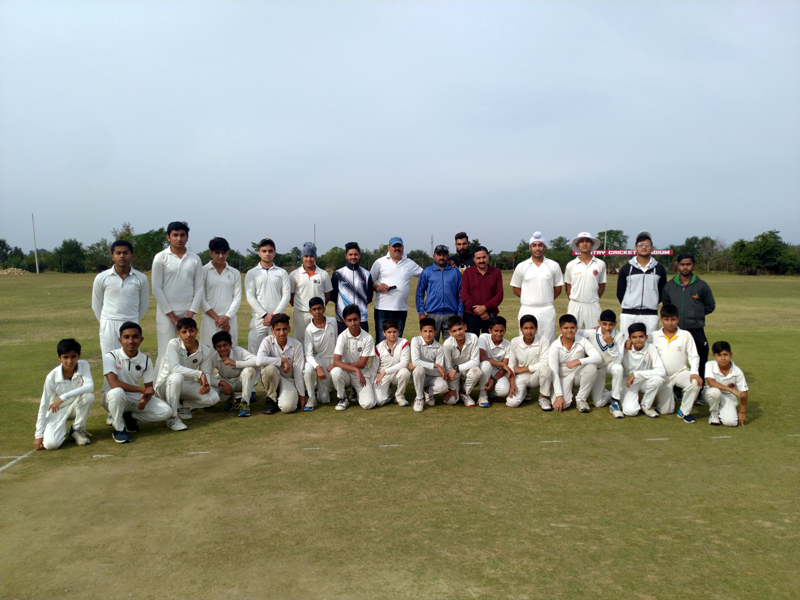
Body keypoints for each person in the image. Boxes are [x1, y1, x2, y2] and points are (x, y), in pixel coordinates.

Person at [102, 322, 172, 443]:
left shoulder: (145, 360)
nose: (131, 341)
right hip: (111, 398)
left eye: (135, 337)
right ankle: (119, 429)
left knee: (166, 411)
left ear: (141, 339)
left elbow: (149, 388)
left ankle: (130, 418)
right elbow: (114, 384)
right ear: (120, 340)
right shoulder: (111, 356)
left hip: (133, 398)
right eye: (126, 337)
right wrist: (142, 391)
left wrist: (145, 398)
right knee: (117, 392)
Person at [661, 252, 716, 402]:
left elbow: (710, 306)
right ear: (678, 265)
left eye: (688, 264)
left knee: (699, 358)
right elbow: (666, 306)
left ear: (693, 265)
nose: (685, 267)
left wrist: (694, 314)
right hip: (675, 329)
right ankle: (677, 389)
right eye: (682, 264)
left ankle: (698, 391)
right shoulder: (670, 285)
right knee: (676, 360)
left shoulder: (701, 285)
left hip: (695, 329)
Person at [151, 221, 204, 374]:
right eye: (175, 235)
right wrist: (172, 317)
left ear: (187, 237)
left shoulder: (195, 259)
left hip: (188, 313)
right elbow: (156, 289)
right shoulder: (161, 257)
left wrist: (191, 313)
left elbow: (199, 288)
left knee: (186, 352)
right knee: (165, 352)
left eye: (182, 235)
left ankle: (184, 390)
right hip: (166, 314)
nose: (178, 238)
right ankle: (158, 390)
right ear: (168, 237)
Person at [154, 318, 221, 431]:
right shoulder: (173, 344)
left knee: (213, 398)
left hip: (186, 386)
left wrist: (206, 386)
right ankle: (172, 418)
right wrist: (199, 373)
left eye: (191, 331)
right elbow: (174, 368)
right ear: (178, 333)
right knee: (177, 377)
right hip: (165, 385)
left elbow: (206, 373)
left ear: (196, 331)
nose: (188, 334)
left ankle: (182, 404)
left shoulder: (205, 350)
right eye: (184, 332)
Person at [34, 339, 94, 450]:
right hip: (56, 410)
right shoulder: (51, 377)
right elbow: (43, 405)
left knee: (88, 396)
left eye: (73, 356)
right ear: (59, 357)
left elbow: (90, 386)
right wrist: (38, 435)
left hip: (75, 406)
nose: (70, 361)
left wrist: (63, 397)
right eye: (65, 357)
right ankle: (58, 430)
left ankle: (76, 430)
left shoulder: (84, 365)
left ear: (79, 355)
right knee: (51, 445)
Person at [91, 239, 149, 356]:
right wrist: (105, 321)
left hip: (131, 322)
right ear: (112, 256)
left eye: (125, 253)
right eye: (118, 253)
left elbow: (144, 305)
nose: (122, 256)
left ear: (131, 255)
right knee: (110, 360)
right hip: (109, 324)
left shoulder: (141, 278)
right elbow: (96, 304)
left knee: (130, 360)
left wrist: (133, 320)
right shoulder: (102, 277)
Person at [650, 305, 702, 423]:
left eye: (673, 319)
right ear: (661, 319)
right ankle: (670, 397)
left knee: (695, 382)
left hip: (680, 372)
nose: (670, 323)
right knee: (666, 410)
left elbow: (693, 355)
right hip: (661, 375)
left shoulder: (685, 335)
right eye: (666, 319)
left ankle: (684, 411)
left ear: (678, 319)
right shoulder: (653, 336)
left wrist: (694, 372)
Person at [510, 231, 564, 342]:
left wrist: (545, 298)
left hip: (547, 309)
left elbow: (558, 288)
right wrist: (528, 297)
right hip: (527, 308)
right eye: (534, 245)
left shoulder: (553, 265)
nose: (537, 248)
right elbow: (515, 288)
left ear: (544, 247)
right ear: (530, 247)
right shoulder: (522, 266)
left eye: (540, 245)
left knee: (547, 341)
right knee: (526, 340)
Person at [370, 236, 423, 343]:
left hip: (400, 309)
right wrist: (377, 287)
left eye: (399, 246)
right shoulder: (380, 262)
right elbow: (368, 283)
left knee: (397, 342)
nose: (397, 248)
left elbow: (426, 274)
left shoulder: (409, 263)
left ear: (403, 247)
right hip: (382, 309)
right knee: (381, 341)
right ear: (389, 247)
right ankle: (381, 360)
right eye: (394, 246)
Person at [616, 230, 667, 338]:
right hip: (628, 314)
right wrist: (630, 304)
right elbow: (620, 291)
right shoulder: (626, 268)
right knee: (627, 345)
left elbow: (662, 291)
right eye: (640, 245)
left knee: (649, 346)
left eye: (647, 244)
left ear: (652, 248)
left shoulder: (659, 269)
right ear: (635, 248)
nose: (644, 247)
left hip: (650, 314)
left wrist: (651, 302)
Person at [244, 238, 291, 354]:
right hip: (258, 320)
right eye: (264, 251)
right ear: (259, 253)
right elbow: (250, 296)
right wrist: (264, 315)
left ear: (274, 253)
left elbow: (286, 295)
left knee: (276, 353)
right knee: (255, 355)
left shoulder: (282, 272)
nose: (267, 254)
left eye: (270, 251)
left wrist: (274, 316)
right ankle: (256, 374)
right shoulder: (252, 273)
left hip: (277, 321)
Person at [576, 309, 625, 418]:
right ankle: (620, 391)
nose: (607, 328)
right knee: (598, 403)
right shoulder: (591, 333)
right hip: (597, 369)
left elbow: (618, 360)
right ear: (599, 322)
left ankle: (615, 402)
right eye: (604, 324)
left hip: (610, 365)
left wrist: (611, 344)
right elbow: (574, 331)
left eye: (611, 324)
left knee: (618, 368)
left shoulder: (619, 336)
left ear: (615, 324)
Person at [548, 314, 601, 413]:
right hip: (561, 377)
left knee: (591, 368)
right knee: (563, 405)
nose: (569, 330)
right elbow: (554, 372)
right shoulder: (554, 347)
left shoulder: (583, 341)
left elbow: (598, 358)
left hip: (577, 374)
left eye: (572, 327)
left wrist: (579, 361)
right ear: (560, 329)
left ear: (576, 328)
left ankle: (581, 399)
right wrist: (559, 396)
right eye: (566, 328)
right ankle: (559, 393)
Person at [255, 313, 305, 415]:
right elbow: (259, 360)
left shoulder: (297, 345)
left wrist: (302, 395)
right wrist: (282, 360)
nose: (282, 333)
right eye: (278, 329)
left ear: (289, 329)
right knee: (270, 369)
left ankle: (280, 395)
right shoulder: (267, 341)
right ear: (272, 330)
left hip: (289, 380)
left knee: (288, 408)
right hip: (274, 376)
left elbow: (298, 372)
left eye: (284, 329)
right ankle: (271, 398)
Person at [331, 305, 378, 411]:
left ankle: (356, 390)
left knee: (369, 404)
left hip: (361, 373)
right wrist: (354, 369)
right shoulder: (342, 337)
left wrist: (354, 368)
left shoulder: (368, 338)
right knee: (335, 372)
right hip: (347, 372)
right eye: (349, 320)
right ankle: (342, 397)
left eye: (355, 319)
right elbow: (336, 361)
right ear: (345, 321)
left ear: (360, 318)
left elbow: (362, 364)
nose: (353, 323)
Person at [199, 237, 241, 350]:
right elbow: (200, 298)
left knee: (230, 352)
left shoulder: (234, 273)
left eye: (223, 253)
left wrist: (227, 318)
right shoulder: (203, 271)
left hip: (229, 319)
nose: (221, 256)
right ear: (211, 253)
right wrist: (218, 319)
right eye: (217, 253)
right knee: (208, 353)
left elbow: (237, 297)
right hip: (210, 319)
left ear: (228, 253)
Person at [416, 245, 463, 342]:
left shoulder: (455, 272)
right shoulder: (427, 271)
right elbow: (419, 292)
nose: (441, 257)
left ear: (448, 256)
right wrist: (421, 312)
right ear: (434, 256)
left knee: (452, 346)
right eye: (439, 255)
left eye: (444, 255)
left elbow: (461, 294)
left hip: (451, 315)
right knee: (430, 345)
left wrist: (460, 312)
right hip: (432, 314)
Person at [290, 242, 332, 346]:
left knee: (319, 341)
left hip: (318, 314)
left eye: (312, 256)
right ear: (302, 257)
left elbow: (327, 295)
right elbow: (291, 296)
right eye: (306, 256)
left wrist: (318, 309)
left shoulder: (323, 274)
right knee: (300, 342)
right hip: (301, 314)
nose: (309, 259)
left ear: (315, 257)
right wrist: (300, 307)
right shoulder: (294, 274)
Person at [620, 323, 666, 418]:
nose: (638, 340)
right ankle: (613, 394)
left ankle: (646, 405)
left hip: (644, 381)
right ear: (630, 338)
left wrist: (637, 374)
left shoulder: (651, 348)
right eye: (634, 337)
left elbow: (661, 371)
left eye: (641, 336)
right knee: (631, 412)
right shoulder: (624, 348)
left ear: (646, 337)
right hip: (628, 382)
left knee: (658, 380)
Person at [211, 331, 259, 418]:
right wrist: (222, 383)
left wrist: (235, 363)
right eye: (219, 346)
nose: (222, 349)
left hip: (240, 381)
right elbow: (207, 376)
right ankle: (228, 399)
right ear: (214, 348)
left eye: (225, 345)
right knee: (208, 387)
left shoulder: (239, 351)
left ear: (230, 344)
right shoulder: (213, 357)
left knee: (249, 370)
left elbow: (257, 361)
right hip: (225, 382)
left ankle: (245, 403)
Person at [507, 315, 552, 409]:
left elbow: (545, 362)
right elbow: (511, 364)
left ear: (536, 328)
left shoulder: (543, 340)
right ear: (521, 329)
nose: (529, 331)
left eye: (532, 328)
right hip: (520, 376)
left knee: (546, 370)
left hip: (536, 375)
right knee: (512, 403)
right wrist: (512, 383)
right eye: (526, 328)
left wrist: (523, 369)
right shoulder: (515, 342)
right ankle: (525, 392)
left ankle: (543, 397)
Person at [565, 232, 607, 329]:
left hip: (593, 305)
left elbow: (601, 287)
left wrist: (592, 299)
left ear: (592, 244)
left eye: (588, 241)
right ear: (577, 245)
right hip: (575, 305)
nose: (585, 244)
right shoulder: (571, 265)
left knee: (595, 335)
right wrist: (576, 300)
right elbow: (568, 288)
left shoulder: (600, 264)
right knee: (573, 334)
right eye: (581, 241)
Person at [303, 297, 338, 411]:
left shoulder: (332, 321)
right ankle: (311, 397)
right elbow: (308, 354)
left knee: (324, 399)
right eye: (314, 309)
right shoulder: (309, 330)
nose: (317, 312)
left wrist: (336, 362)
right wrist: (318, 367)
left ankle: (321, 386)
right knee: (308, 370)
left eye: (319, 308)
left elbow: (337, 342)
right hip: (316, 359)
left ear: (324, 309)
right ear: (310, 312)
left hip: (330, 359)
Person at [330, 242, 374, 334]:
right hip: (343, 319)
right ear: (346, 256)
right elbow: (333, 296)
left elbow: (369, 297)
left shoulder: (366, 274)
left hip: (361, 318)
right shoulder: (338, 274)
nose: (353, 257)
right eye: (350, 254)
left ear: (359, 255)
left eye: (355, 254)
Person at [461, 245, 503, 335]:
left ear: (488, 256)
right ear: (474, 259)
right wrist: (479, 310)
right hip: (471, 316)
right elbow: (464, 295)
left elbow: (499, 294)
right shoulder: (468, 272)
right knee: (472, 344)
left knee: (489, 345)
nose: (481, 260)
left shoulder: (496, 272)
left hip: (490, 315)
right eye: (478, 258)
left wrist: (485, 308)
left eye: (484, 257)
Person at [440, 315, 481, 407]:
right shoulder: (447, 344)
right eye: (454, 331)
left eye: (460, 329)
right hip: (454, 374)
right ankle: (457, 388)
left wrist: (457, 368)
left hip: (467, 369)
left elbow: (475, 361)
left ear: (465, 327)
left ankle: (464, 392)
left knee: (476, 371)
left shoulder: (473, 337)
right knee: (451, 401)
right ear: (450, 332)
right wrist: (452, 388)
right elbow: (448, 367)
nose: (458, 333)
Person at [409, 317, 448, 412]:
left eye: (430, 331)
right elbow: (416, 362)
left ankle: (428, 392)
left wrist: (419, 365)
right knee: (419, 370)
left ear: (435, 332)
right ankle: (419, 398)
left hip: (431, 377)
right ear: (420, 332)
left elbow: (438, 373)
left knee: (444, 387)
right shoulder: (415, 340)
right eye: (425, 331)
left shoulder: (439, 347)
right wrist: (435, 365)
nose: (427, 334)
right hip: (419, 375)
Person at [705, 341, 748, 427]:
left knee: (731, 422)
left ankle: (723, 408)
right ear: (714, 356)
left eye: (725, 355)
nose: (723, 358)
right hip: (710, 392)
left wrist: (742, 412)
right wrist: (732, 390)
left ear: (731, 355)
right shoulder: (709, 365)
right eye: (719, 355)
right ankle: (714, 413)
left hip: (728, 396)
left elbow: (744, 393)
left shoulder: (738, 371)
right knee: (714, 392)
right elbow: (711, 383)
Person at [477, 316, 514, 408]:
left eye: (501, 331)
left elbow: (503, 369)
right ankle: (483, 394)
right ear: (490, 331)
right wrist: (501, 363)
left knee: (503, 391)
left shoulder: (508, 345)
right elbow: (481, 357)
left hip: (497, 372)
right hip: (483, 368)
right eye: (496, 331)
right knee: (486, 365)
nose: (499, 334)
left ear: (505, 330)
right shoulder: (483, 337)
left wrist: (493, 380)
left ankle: (492, 391)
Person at [374, 319, 412, 407]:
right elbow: (374, 366)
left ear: (398, 331)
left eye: (394, 332)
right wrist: (372, 380)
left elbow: (404, 363)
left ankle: (399, 396)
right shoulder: (378, 347)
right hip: (383, 376)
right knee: (379, 402)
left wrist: (385, 371)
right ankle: (390, 394)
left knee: (405, 372)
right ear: (384, 333)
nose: (392, 334)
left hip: (396, 373)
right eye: (389, 332)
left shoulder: (404, 342)